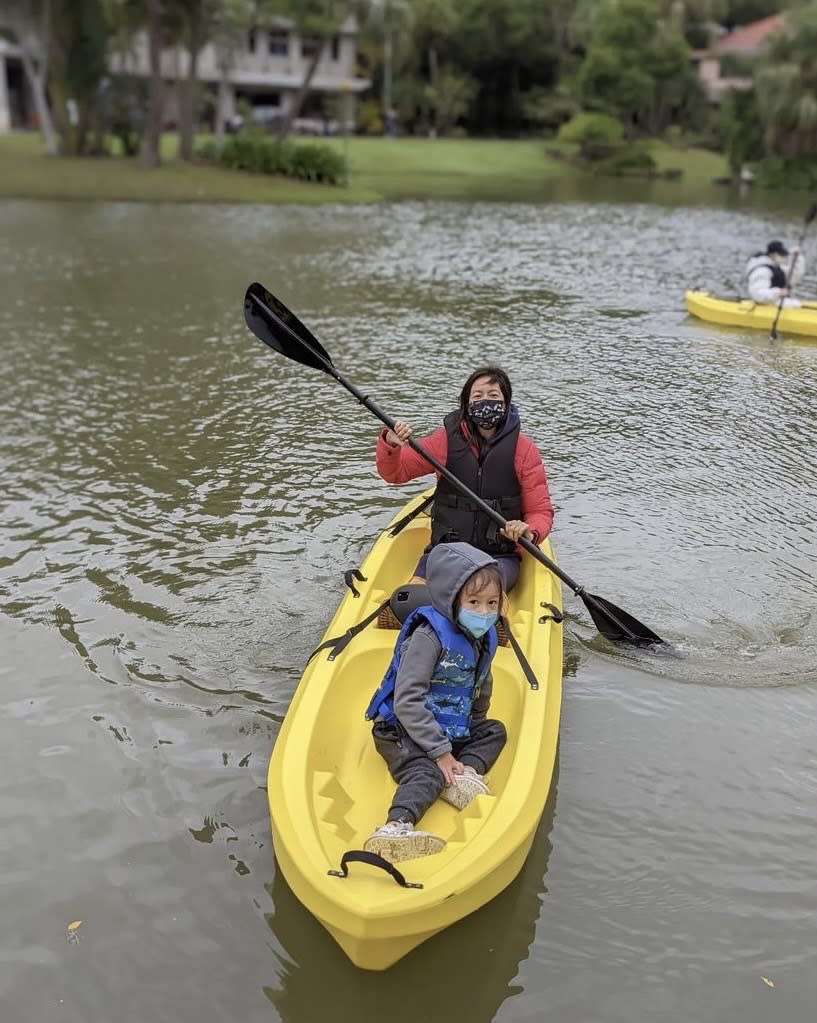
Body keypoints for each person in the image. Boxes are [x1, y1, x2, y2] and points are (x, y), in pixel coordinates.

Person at [363, 542, 507, 863]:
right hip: (402, 727)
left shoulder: (482, 635)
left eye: (492, 603)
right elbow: (407, 701)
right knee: (426, 772)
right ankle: (394, 828)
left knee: (494, 730)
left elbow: (481, 683)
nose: (484, 612)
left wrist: (472, 725)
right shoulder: (428, 638)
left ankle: (461, 775)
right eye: (474, 602)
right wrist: (441, 754)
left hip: (449, 722)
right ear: (450, 599)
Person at [375, 366, 554, 593]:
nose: (485, 402)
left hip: (499, 556)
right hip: (446, 552)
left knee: (478, 592)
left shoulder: (524, 450)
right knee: (411, 600)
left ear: (506, 403)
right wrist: (391, 445)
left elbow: (541, 512)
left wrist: (528, 530)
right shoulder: (444, 442)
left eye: (493, 396)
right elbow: (395, 473)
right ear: (466, 405)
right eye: (477, 396)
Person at [745, 240, 806, 307]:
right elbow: (757, 294)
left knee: (797, 304)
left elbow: (795, 274)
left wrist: (796, 257)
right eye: (781, 255)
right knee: (796, 305)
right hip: (766, 304)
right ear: (772, 255)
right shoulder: (762, 271)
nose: (783, 257)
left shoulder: (775, 266)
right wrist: (778, 292)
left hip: (774, 302)